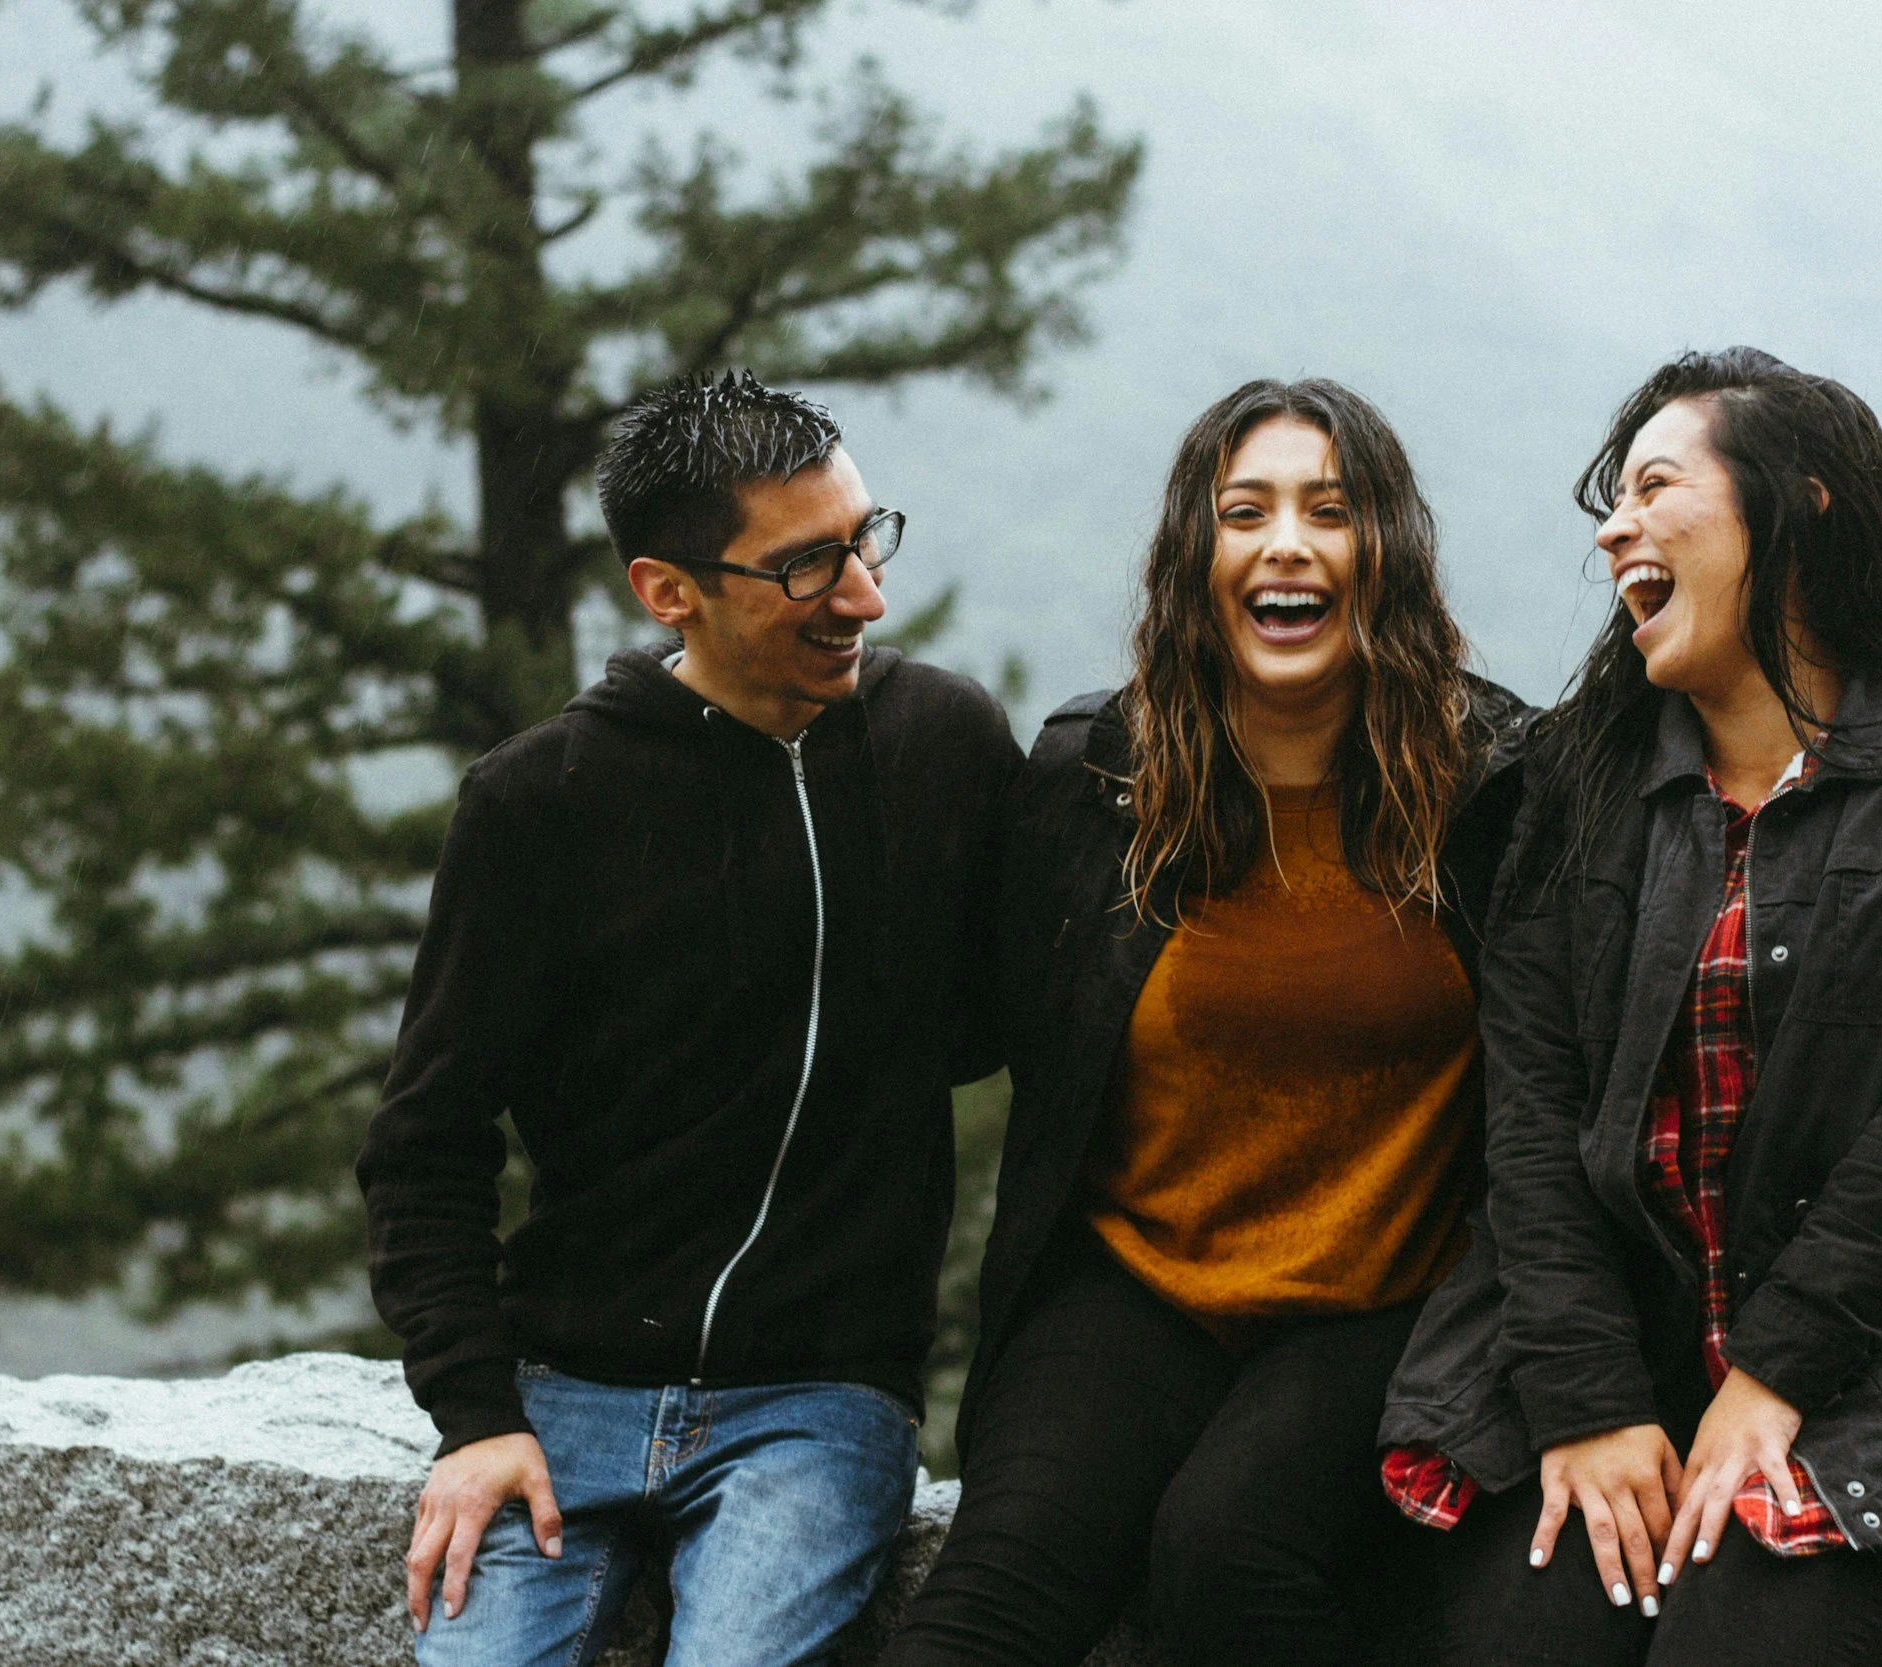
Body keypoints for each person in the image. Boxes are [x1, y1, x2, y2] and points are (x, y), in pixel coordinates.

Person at [1395, 347, 1882, 1666]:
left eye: (1655, 485)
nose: (1613, 526)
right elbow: (1529, 1120)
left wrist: (1770, 1382)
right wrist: (1589, 1403)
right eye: (1612, 500)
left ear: (1805, 508)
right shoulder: (1571, 790)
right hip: (1628, 1368)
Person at [356, 369, 1021, 1667]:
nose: (867, 596)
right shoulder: (539, 802)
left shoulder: (942, 743)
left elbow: (1019, 1015)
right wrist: (477, 1412)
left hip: (818, 1404)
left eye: (867, 538)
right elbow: (425, 1141)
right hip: (560, 1399)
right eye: (810, 566)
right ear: (671, 590)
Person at [878, 378, 1532, 1666]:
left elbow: (1661, 980)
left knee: (1226, 1558)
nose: (1286, 542)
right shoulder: (1096, 785)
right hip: (1139, 1284)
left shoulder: (1497, 794)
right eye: (1247, 513)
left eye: (1329, 511)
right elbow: (938, 1027)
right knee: (993, 1594)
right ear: (1199, 557)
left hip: (1387, 1302)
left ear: (1383, 553)